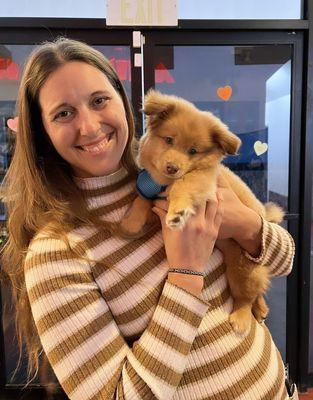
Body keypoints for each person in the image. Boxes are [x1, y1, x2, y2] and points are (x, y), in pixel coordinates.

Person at [0, 37, 297, 400]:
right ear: (42, 133)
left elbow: (285, 261)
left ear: (123, 104)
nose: (91, 127)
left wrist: (248, 226)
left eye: (99, 100)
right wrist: (186, 274)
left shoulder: (176, 179)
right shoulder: (56, 252)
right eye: (63, 113)